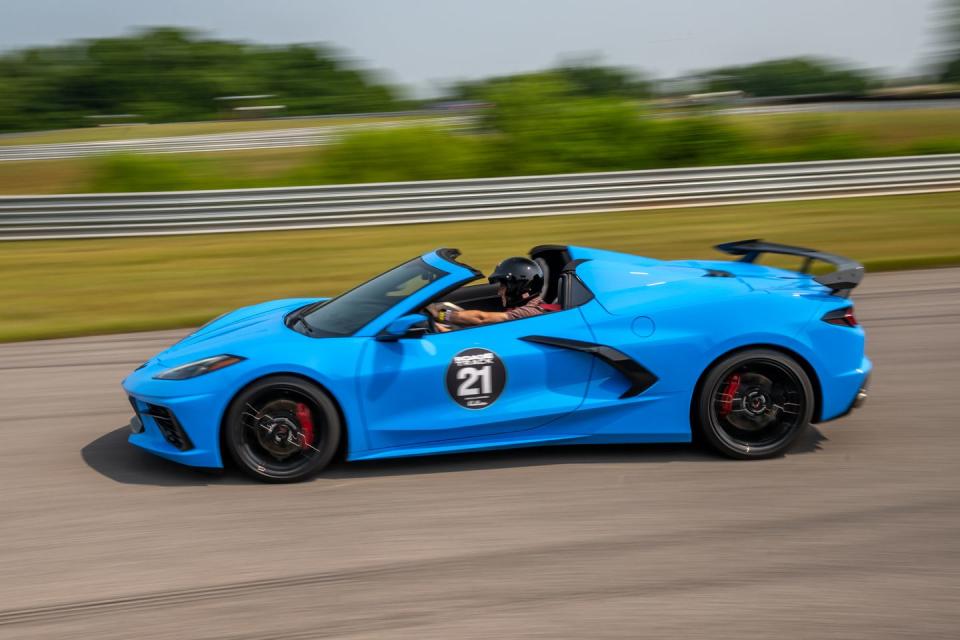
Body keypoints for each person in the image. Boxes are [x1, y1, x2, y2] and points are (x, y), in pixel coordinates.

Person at [428, 257, 546, 329]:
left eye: (503, 287)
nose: (499, 292)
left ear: (519, 288)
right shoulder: (523, 308)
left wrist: (441, 314)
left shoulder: (530, 312)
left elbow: (481, 318)